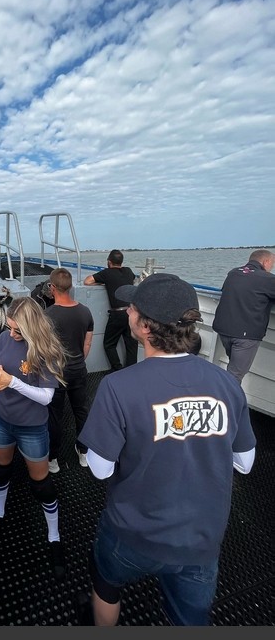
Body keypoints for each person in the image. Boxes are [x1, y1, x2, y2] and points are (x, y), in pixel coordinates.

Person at [78, 273, 256, 626]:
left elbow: (100, 468)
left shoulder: (117, 387)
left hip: (132, 534)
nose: (127, 311)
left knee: (106, 583)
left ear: (145, 327)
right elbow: (245, 463)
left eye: (132, 308)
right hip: (201, 540)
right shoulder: (226, 384)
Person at [0, 296, 68, 579]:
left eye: (17, 330)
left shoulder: (46, 349)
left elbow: (46, 397)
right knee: (1, 470)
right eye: (8, 328)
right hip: (1, 420)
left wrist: (12, 382)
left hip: (31, 426)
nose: (11, 334)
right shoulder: (6, 339)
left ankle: (54, 536)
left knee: (41, 484)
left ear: (31, 328)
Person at [45, 268, 94, 472]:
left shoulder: (47, 315)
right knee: (81, 411)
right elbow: (87, 345)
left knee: (54, 416)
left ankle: (53, 458)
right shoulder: (85, 312)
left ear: (52, 287)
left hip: (56, 373)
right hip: (78, 370)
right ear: (71, 286)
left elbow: (43, 348)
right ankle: (83, 452)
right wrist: (78, 362)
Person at [213, 249, 275, 384]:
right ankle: (227, 402)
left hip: (224, 330)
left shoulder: (233, 273)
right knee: (235, 375)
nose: (271, 268)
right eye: (272, 265)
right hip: (245, 335)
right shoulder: (268, 279)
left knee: (233, 369)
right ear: (266, 262)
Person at [83, 250, 138, 372]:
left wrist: (103, 281)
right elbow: (133, 280)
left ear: (109, 262)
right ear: (121, 262)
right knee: (131, 345)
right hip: (131, 312)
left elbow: (87, 281)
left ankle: (116, 369)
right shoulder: (128, 271)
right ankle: (131, 372)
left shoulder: (107, 273)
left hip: (117, 314)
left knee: (109, 344)